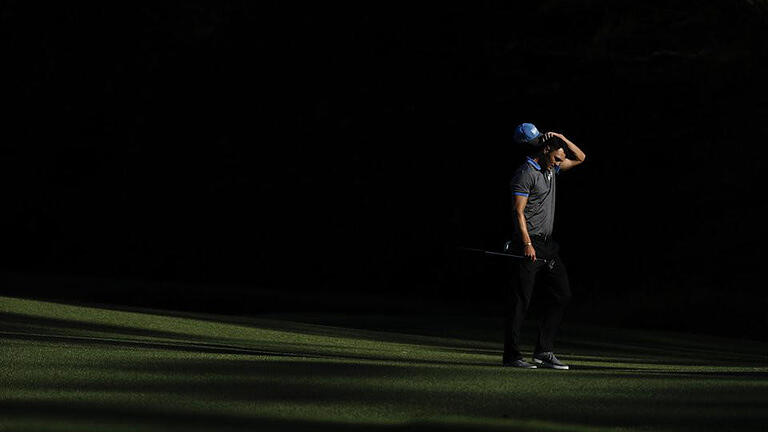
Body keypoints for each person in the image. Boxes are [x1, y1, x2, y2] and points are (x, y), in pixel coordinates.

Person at [502, 122, 586, 369]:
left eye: (561, 160)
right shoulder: (526, 173)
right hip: (528, 244)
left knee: (563, 294)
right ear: (545, 151)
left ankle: (543, 351)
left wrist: (561, 137)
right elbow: (518, 212)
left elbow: (581, 157)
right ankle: (512, 356)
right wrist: (527, 243)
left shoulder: (553, 169)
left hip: (549, 247)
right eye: (557, 158)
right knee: (521, 301)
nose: (560, 162)